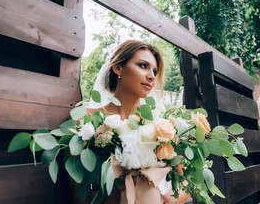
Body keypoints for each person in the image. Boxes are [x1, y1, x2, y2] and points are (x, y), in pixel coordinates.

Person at [75, 40, 190, 204]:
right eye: (143, 66)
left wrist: (170, 199)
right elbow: (76, 186)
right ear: (118, 68)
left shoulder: (161, 124)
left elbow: (184, 177)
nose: (151, 76)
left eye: (154, 71)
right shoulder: (87, 119)